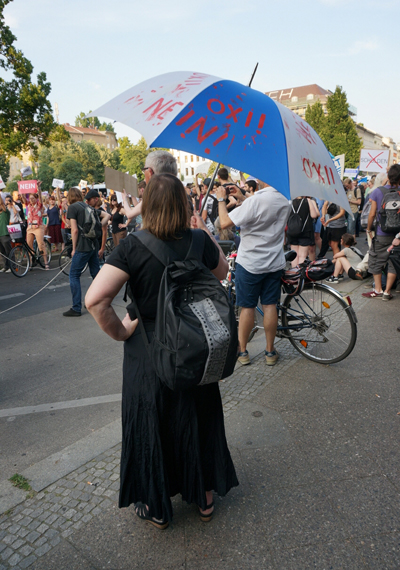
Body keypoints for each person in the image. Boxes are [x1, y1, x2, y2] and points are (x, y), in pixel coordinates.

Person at [85, 174, 238, 529]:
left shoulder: (132, 246)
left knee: (151, 420)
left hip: (149, 348)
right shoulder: (199, 239)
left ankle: (157, 504)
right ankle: (204, 497)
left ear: (147, 205)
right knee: (198, 415)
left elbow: (95, 300)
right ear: (184, 204)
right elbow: (223, 272)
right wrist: (202, 234)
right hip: (193, 344)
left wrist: (121, 331)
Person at [215, 182, 290, 366]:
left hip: (251, 263)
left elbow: (224, 222)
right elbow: (263, 208)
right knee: (270, 305)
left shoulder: (256, 200)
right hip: (274, 261)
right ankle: (270, 352)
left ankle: (243, 352)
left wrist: (220, 199)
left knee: (247, 307)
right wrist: (242, 196)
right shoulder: (286, 200)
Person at [63, 187, 109, 317]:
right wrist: (99, 226)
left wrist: (73, 249)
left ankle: (76, 307)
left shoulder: (72, 208)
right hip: (93, 245)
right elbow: (107, 215)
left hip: (82, 246)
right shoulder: (87, 206)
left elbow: (75, 230)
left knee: (74, 275)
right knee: (96, 274)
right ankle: (100, 301)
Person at [362, 164, 400, 300]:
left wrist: (368, 229)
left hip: (381, 233)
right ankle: (387, 292)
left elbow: (372, 214)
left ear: (388, 176)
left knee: (375, 260)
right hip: (397, 235)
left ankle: (378, 289)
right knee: (393, 262)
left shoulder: (378, 191)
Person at [122, 150, 178, 221]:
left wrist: (124, 198)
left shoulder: (152, 196)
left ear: (150, 172)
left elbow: (129, 214)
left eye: (144, 170)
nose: (144, 177)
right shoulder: (182, 195)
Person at [287, 196, 320, 267]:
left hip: (292, 230)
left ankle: (294, 274)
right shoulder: (307, 201)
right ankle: (300, 274)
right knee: (302, 255)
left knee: (294, 255)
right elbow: (314, 215)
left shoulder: (289, 201)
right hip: (305, 231)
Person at [26, 182, 49, 269]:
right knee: (29, 245)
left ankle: (46, 262)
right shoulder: (28, 206)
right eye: (30, 198)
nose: (31, 200)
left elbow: (40, 197)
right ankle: (31, 262)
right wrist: (21, 180)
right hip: (30, 227)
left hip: (38, 227)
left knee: (40, 244)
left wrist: (38, 188)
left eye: (33, 198)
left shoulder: (39, 205)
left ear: (36, 199)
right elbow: (24, 197)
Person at [85, 189, 111, 262]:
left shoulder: (102, 212)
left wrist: (102, 248)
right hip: (92, 245)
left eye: (89, 199)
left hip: (98, 245)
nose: (87, 201)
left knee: (100, 266)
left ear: (96, 199)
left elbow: (104, 232)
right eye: (86, 200)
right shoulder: (90, 210)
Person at [0, 197, 12, 273]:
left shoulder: (6, 212)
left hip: (5, 234)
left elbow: (1, 203)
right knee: (2, 252)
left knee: (9, 251)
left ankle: (12, 267)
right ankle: (5, 266)